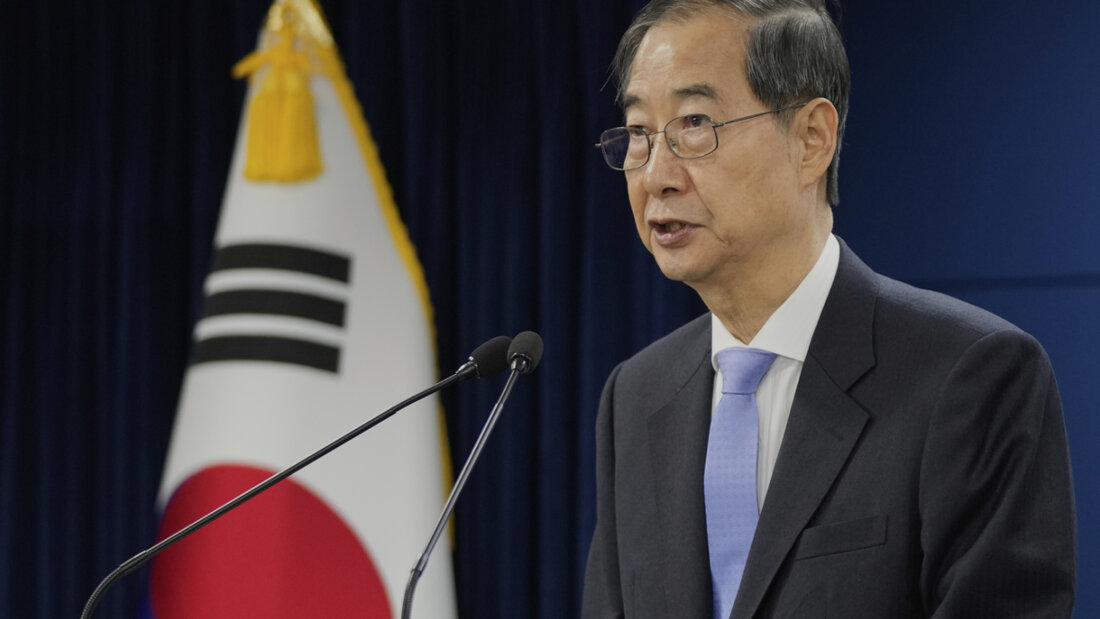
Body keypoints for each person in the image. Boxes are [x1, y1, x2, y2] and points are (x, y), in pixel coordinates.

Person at [581, 1, 1077, 617]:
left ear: (812, 138)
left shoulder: (970, 378)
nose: (656, 175)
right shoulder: (635, 397)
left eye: (694, 123)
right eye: (638, 133)